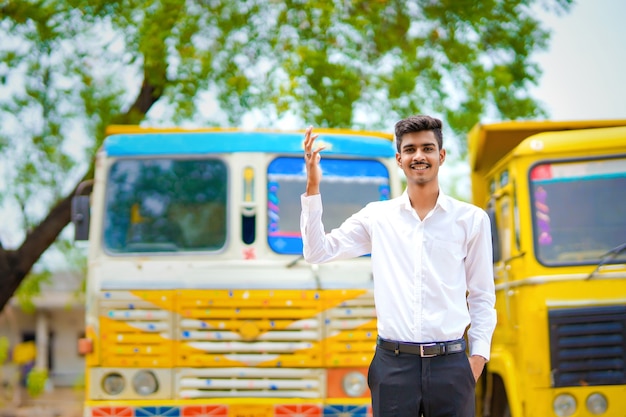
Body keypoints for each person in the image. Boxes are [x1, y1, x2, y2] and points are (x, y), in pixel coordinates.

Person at [300, 115, 496, 417]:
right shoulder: (377, 217)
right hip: (393, 367)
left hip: (452, 366)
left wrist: (478, 358)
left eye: (428, 148)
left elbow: (482, 295)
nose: (419, 156)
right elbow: (317, 252)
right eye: (410, 149)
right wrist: (313, 187)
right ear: (399, 159)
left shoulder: (470, 220)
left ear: (441, 156)